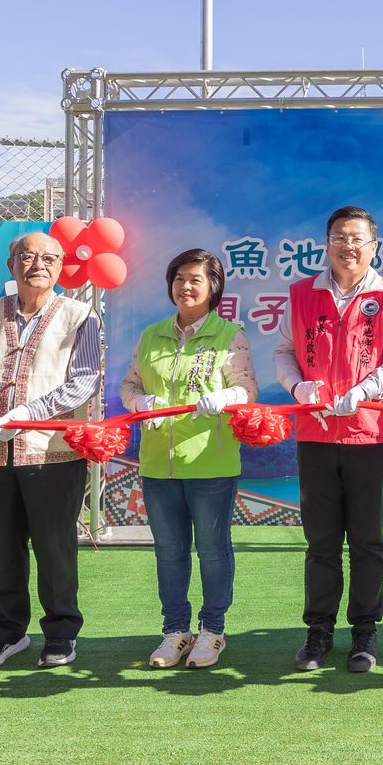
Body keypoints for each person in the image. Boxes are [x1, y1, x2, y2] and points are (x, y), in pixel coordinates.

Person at [0, 232, 102, 669]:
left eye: (49, 258)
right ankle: (6, 633)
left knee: (55, 547)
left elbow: (85, 380)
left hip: (53, 451)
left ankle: (61, 633)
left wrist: (31, 412)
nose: (38, 265)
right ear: (11, 264)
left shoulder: (80, 315)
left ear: (61, 266)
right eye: (28, 256)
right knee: (0, 547)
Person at [273, 206, 383, 674]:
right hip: (315, 433)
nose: (348, 246)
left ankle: (365, 632)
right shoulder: (301, 293)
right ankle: (318, 631)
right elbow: (284, 351)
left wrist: (364, 391)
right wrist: (297, 387)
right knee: (321, 541)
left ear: (374, 246)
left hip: (370, 435)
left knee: (368, 540)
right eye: (339, 237)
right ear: (327, 243)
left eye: (357, 238)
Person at [119, 249, 256, 669]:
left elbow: (247, 389)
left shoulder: (229, 334)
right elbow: (128, 386)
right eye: (179, 279)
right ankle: (174, 631)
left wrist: (226, 397)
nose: (186, 287)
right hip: (158, 464)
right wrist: (141, 401)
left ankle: (212, 631)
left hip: (210, 464)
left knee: (212, 551)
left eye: (196, 279)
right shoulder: (152, 335)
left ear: (214, 286)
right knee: (169, 551)